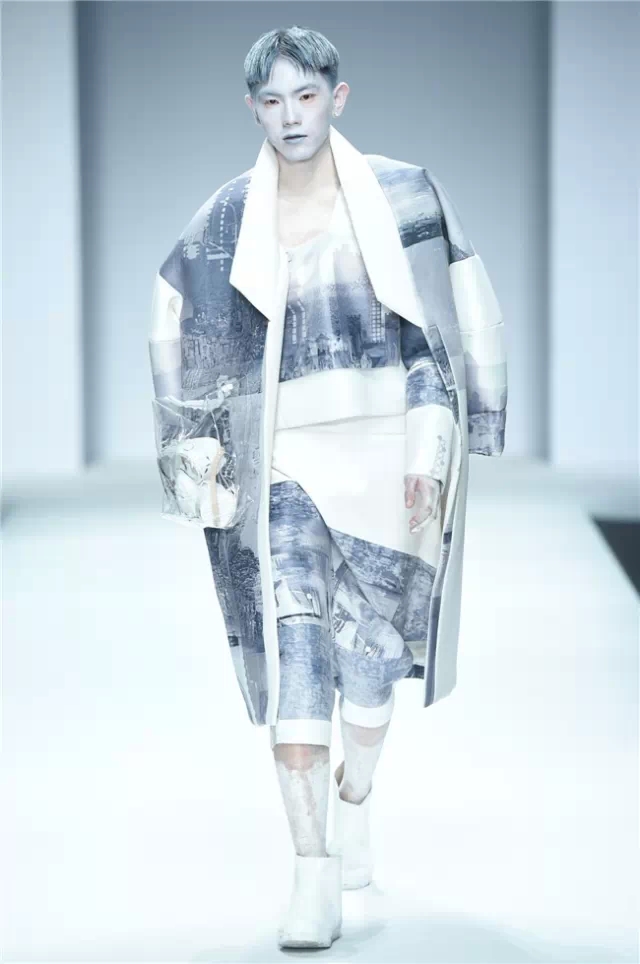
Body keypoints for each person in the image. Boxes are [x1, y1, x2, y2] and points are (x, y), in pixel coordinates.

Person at [148, 23, 507, 951]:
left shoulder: (404, 193)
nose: (291, 116)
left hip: (390, 459)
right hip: (283, 464)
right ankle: (311, 873)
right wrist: (193, 453)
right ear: (253, 108)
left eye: (306, 96)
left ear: (337, 98)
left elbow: (451, 318)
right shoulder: (227, 217)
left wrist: (445, 444)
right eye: (273, 100)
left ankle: (356, 797)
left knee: (372, 671)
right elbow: (171, 314)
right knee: (296, 652)